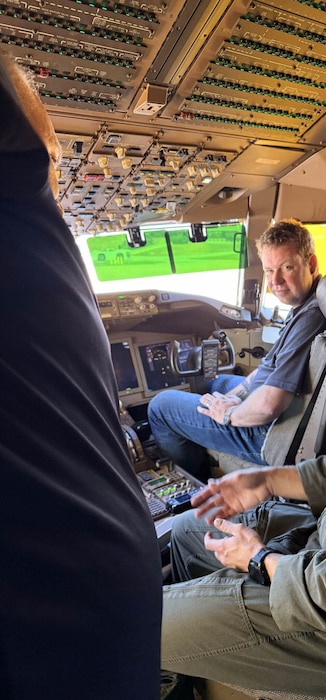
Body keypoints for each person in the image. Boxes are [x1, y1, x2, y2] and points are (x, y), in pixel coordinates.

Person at [160, 193, 326, 697]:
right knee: (192, 530)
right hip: (320, 545)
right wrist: (264, 480)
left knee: (138, 621)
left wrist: (259, 560)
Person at [0, 54, 162, 698]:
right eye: (33, 91)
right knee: (178, 402)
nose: (63, 149)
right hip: (100, 592)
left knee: (177, 402)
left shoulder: (21, 204)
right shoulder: (27, 211)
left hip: (65, 611)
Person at [148, 220, 326, 481]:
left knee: (161, 406)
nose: (275, 281)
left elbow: (269, 405)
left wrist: (230, 414)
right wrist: (236, 396)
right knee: (217, 383)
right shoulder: (309, 304)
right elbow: (266, 371)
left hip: (274, 435)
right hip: (289, 416)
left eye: (286, 268)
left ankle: (193, 485)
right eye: (269, 270)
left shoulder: (311, 317)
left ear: (311, 265)